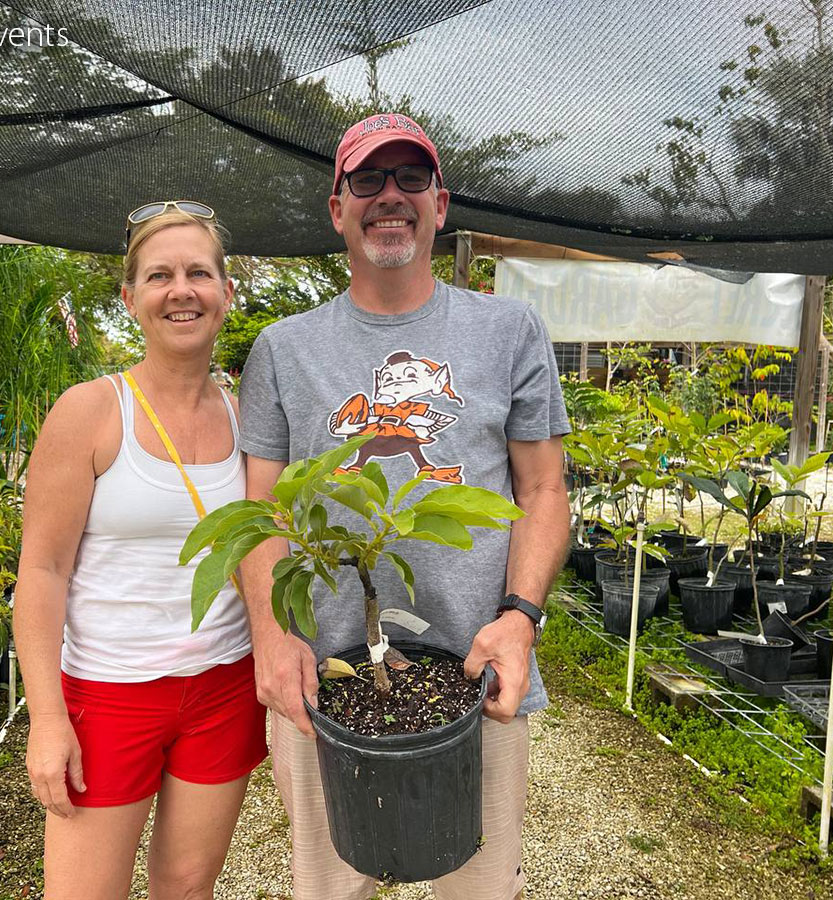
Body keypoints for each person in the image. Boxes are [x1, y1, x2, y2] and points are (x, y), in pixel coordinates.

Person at [238, 113, 572, 900]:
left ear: (441, 203)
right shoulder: (283, 349)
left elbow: (544, 491)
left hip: (475, 670)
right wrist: (271, 635)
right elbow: (262, 512)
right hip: (328, 676)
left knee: (482, 886)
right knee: (329, 885)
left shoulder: (509, 329)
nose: (390, 197)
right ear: (337, 209)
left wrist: (521, 618)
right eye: (367, 180)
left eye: (410, 179)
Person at [13, 202, 267, 900]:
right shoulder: (90, 412)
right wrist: (47, 720)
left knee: (186, 887)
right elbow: (41, 571)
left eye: (198, 273)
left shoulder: (249, 417)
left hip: (222, 687)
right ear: (130, 299)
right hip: (109, 693)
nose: (180, 290)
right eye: (159, 276)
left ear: (226, 293)